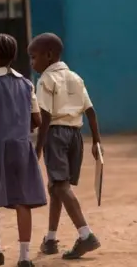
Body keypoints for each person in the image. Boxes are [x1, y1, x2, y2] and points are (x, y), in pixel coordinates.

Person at [0, 33, 47, 267]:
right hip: (22, 147)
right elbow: (37, 119)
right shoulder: (26, 83)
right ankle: (24, 256)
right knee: (22, 200)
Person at [28, 32, 102, 260]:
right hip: (76, 136)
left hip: (56, 135)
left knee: (59, 186)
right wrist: (96, 141)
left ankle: (85, 234)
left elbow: (46, 117)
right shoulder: (75, 77)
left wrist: (38, 150)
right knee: (56, 186)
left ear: (49, 55)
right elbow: (90, 110)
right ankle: (50, 239)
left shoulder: (45, 80)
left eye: (34, 57)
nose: (32, 62)